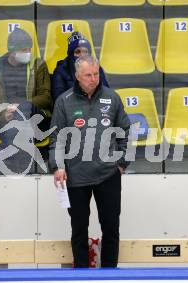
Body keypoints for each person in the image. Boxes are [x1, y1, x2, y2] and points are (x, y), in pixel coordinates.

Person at [49, 55, 130, 268]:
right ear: (77, 76)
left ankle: (110, 275)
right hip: (76, 176)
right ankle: (81, 276)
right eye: (87, 75)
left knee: (111, 228)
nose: (93, 78)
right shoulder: (64, 101)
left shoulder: (112, 98)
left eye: (96, 73)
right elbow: (56, 138)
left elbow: (125, 132)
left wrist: (122, 163)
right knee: (79, 229)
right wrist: (58, 166)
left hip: (108, 174)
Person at [0, 28, 52, 174]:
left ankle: (7, 154)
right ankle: (22, 160)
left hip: (35, 116)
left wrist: (20, 107)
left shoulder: (38, 65)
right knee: (16, 124)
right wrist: (3, 113)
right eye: (24, 50)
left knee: (22, 114)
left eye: (29, 49)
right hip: (6, 120)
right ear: (12, 51)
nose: (28, 53)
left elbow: (46, 97)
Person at [51, 32, 109, 103]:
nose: (82, 55)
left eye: (85, 52)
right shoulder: (61, 70)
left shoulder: (96, 68)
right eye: (78, 52)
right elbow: (59, 99)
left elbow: (107, 94)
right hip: (73, 111)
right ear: (71, 55)